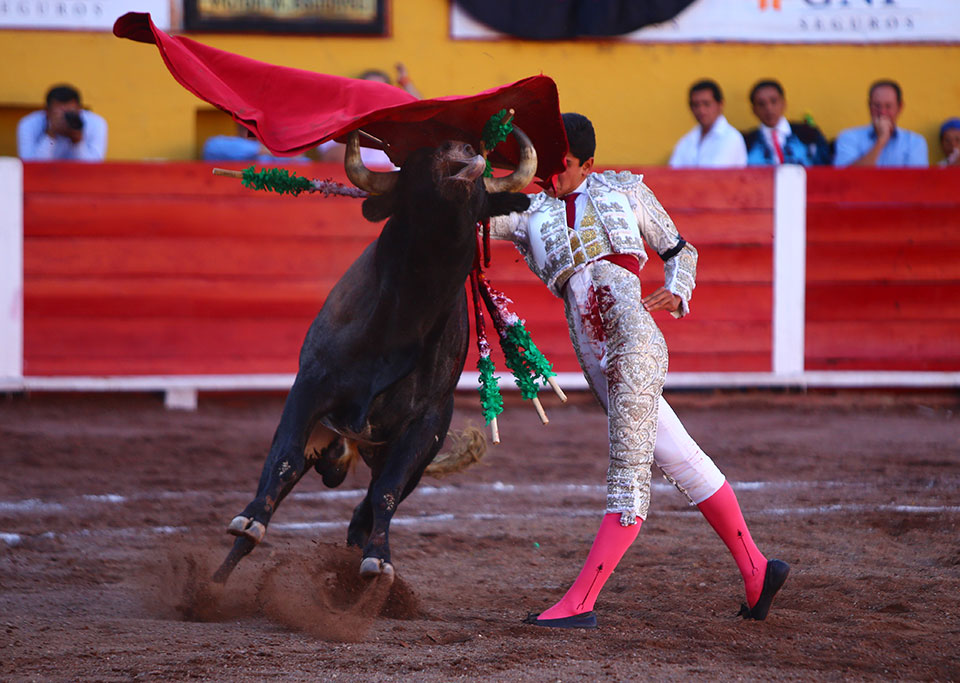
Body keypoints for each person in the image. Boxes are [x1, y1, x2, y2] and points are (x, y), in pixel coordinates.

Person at [490, 113, 789, 629]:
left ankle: (581, 602)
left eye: (561, 164)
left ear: (587, 164)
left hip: (634, 343)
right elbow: (466, 220)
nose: (550, 175)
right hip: (598, 360)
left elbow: (678, 249)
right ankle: (758, 570)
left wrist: (679, 287)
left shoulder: (625, 191)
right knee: (684, 460)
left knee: (628, 477)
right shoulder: (526, 208)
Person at [316, 63, 421, 168]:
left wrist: (404, 80)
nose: (375, 95)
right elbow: (332, 159)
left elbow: (421, 110)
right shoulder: (338, 120)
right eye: (369, 89)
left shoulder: (394, 121)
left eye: (381, 89)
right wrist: (355, 123)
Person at [833, 80, 927, 167]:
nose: (882, 112)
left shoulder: (914, 142)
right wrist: (881, 140)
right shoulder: (848, 137)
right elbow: (846, 177)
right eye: (877, 106)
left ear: (900, 107)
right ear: (869, 106)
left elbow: (916, 181)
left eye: (888, 106)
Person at [742, 80, 831, 166]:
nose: (768, 108)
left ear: (783, 103)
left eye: (774, 101)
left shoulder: (809, 134)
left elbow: (824, 170)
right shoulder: (747, 142)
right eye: (761, 104)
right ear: (754, 110)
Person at [17, 84, 107, 161]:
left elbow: (94, 166)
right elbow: (30, 165)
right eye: (59, 113)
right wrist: (50, 135)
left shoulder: (95, 123)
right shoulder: (29, 124)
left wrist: (77, 142)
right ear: (47, 111)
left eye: (70, 113)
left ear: (80, 110)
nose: (64, 119)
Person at [668, 80, 747, 168]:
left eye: (706, 104)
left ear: (720, 105)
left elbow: (715, 175)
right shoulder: (688, 139)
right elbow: (673, 171)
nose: (701, 110)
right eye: (696, 105)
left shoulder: (732, 137)